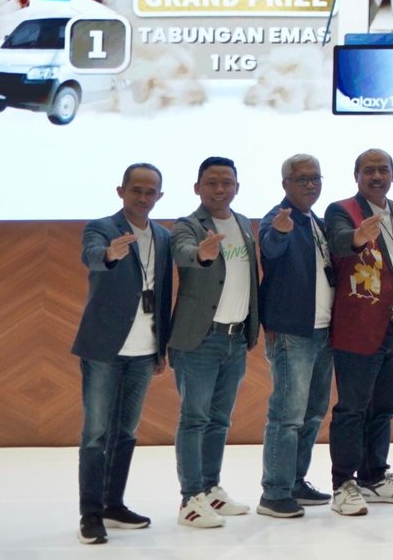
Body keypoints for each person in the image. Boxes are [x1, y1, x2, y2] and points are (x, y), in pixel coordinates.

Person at [73, 163, 173, 545]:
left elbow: (162, 293)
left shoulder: (163, 236)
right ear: (121, 191)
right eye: (136, 190)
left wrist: (161, 348)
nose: (143, 197)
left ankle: (113, 504)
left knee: (126, 432)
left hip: (144, 350)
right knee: (96, 434)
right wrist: (110, 255)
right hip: (104, 348)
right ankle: (90, 513)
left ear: (159, 196)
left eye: (150, 192)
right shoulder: (101, 228)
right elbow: (92, 255)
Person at [325, 148, 393, 516]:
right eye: (369, 170)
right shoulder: (342, 210)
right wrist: (358, 237)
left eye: (383, 170)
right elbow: (339, 242)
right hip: (359, 328)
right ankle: (343, 483)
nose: (377, 176)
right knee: (352, 409)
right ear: (357, 176)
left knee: (383, 409)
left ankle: (374, 476)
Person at [168, 156, 260, 530]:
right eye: (211, 183)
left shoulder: (243, 224)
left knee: (219, 420)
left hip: (235, 338)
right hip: (199, 340)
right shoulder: (188, 225)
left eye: (227, 182)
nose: (220, 189)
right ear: (197, 188)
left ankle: (209, 488)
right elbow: (183, 251)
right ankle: (190, 499)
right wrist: (201, 254)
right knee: (195, 419)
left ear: (237, 187)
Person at [256, 154, 336, 518]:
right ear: (285, 183)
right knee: (287, 415)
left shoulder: (317, 222)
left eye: (315, 178)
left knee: (313, 412)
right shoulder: (278, 218)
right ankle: (274, 492)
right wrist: (280, 232)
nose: (310, 184)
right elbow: (271, 250)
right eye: (301, 179)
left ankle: (295, 482)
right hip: (293, 333)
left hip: (323, 331)